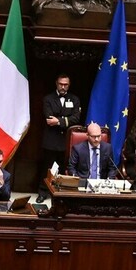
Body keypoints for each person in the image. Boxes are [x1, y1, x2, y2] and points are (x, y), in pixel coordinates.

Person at [38, 73, 81, 202]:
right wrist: (65, 120)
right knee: (47, 168)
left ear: (69, 85)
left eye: (65, 85)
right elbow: (49, 118)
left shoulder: (74, 99)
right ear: (56, 84)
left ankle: (61, 194)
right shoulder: (48, 99)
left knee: (63, 168)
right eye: (61, 84)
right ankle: (43, 192)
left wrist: (59, 121)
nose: (63, 87)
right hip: (51, 139)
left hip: (66, 140)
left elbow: (76, 118)